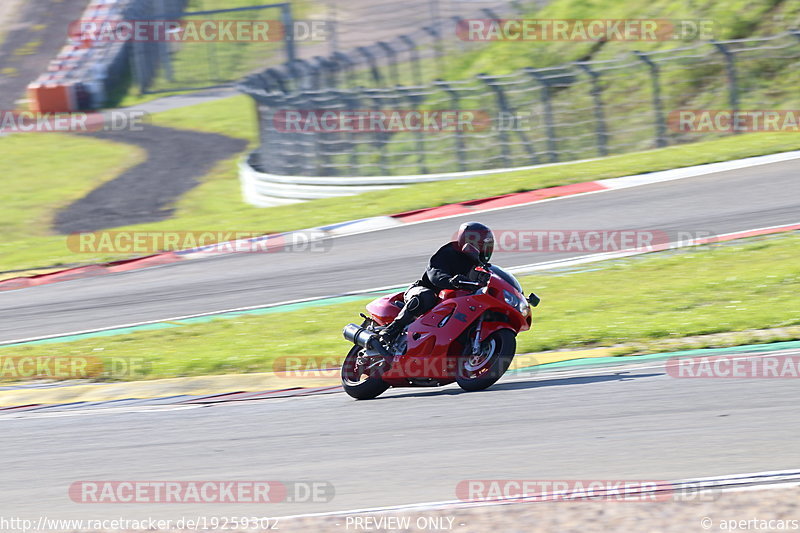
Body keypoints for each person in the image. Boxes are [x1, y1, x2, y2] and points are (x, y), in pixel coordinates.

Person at [379, 222, 495, 345]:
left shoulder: (481, 267)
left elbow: (493, 280)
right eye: (482, 246)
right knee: (426, 296)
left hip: (452, 303)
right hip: (423, 290)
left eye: (487, 247)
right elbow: (435, 274)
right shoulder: (448, 253)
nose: (485, 251)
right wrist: (450, 281)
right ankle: (392, 329)